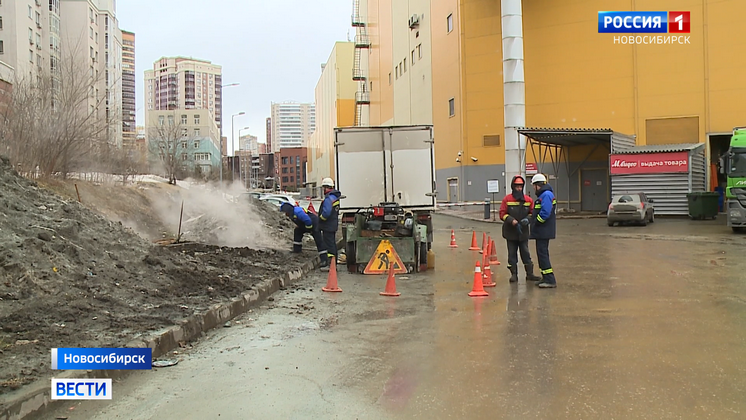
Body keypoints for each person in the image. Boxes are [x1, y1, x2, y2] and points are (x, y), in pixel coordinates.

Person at [499, 175, 542, 283]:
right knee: (512, 254)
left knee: (526, 253)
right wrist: (511, 220)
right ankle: (514, 274)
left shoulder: (528, 200)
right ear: (513, 186)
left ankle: (530, 274)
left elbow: (533, 213)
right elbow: (502, 214)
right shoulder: (507, 199)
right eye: (517, 186)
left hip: (523, 232)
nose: (519, 188)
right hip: (510, 232)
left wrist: (528, 219)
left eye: (520, 186)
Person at [280, 202, 329, 268]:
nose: (285, 214)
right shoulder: (292, 213)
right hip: (306, 224)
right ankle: (297, 249)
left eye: (285, 212)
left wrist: (310, 230)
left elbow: (307, 220)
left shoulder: (298, 212)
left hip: (314, 224)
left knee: (318, 241)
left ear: (288, 210)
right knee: (297, 231)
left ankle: (324, 260)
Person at [529, 174, 557, 288]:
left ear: (537, 185)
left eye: (534, 186)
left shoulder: (546, 195)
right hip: (542, 231)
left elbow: (545, 212)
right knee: (541, 254)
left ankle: (550, 280)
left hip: (543, 230)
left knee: (543, 254)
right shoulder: (545, 194)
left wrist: (536, 222)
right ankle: (545, 277)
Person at [318, 177, 342, 272]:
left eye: (324, 188)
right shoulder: (334, 197)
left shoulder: (329, 199)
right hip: (332, 224)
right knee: (332, 244)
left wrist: (321, 219)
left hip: (328, 226)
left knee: (330, 245)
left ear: (327, 187)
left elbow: (326, 213)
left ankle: (331, 265)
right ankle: (333, 264)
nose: (323, 190)